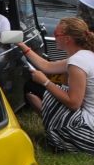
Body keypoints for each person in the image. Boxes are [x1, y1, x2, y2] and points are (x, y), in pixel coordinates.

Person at [22, 18, 94, 154]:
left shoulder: (78, 61)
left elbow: (74, 103)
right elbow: (47, 66)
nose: (54, 37)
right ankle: (57, 127)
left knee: (32, 87)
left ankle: (59, 136)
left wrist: (45, 82)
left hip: (88, 130)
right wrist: (21, 45)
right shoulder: (86, 55)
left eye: (56, 34)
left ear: (67, 39)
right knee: (37, 87)